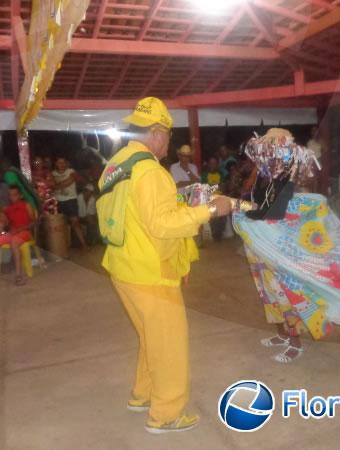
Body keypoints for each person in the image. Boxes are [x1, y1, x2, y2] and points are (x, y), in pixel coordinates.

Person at [96, 97, 232, 434]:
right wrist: (212, 210)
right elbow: (163, 225)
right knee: (169, 343)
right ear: (157, 132)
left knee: (150, 336)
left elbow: (138, 211)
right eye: (168, 136)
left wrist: (183, 200)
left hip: (123, 265)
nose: (168, 144)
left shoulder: (117, 163)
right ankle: (166, 414)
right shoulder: (150, 171)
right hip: (151, 271)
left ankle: (142, 394)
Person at [233, 129, 340, 363]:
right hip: (261, 244)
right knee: (268, 292)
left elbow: (273, 211)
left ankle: (295, 344)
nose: (265, 153)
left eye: (271, 148)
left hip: (278, 248)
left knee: (284, 293)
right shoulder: (263, 173)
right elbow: (251, 199)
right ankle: (282, 335)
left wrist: (240, 208)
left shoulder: (286, 175)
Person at [52, 157, 87, 249]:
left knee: (75, 223)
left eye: (63, 162)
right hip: (58, 201)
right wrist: (63, 183)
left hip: (71, 200)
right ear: (56, 164)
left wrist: (56, 185)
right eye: (59, 162)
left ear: (66, 163)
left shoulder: (71, 171)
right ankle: (65, 246)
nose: (62, 164)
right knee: (61, 224)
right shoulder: (53, 173)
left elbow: (75, 179)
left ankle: (84, 244)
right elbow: (52, 185)